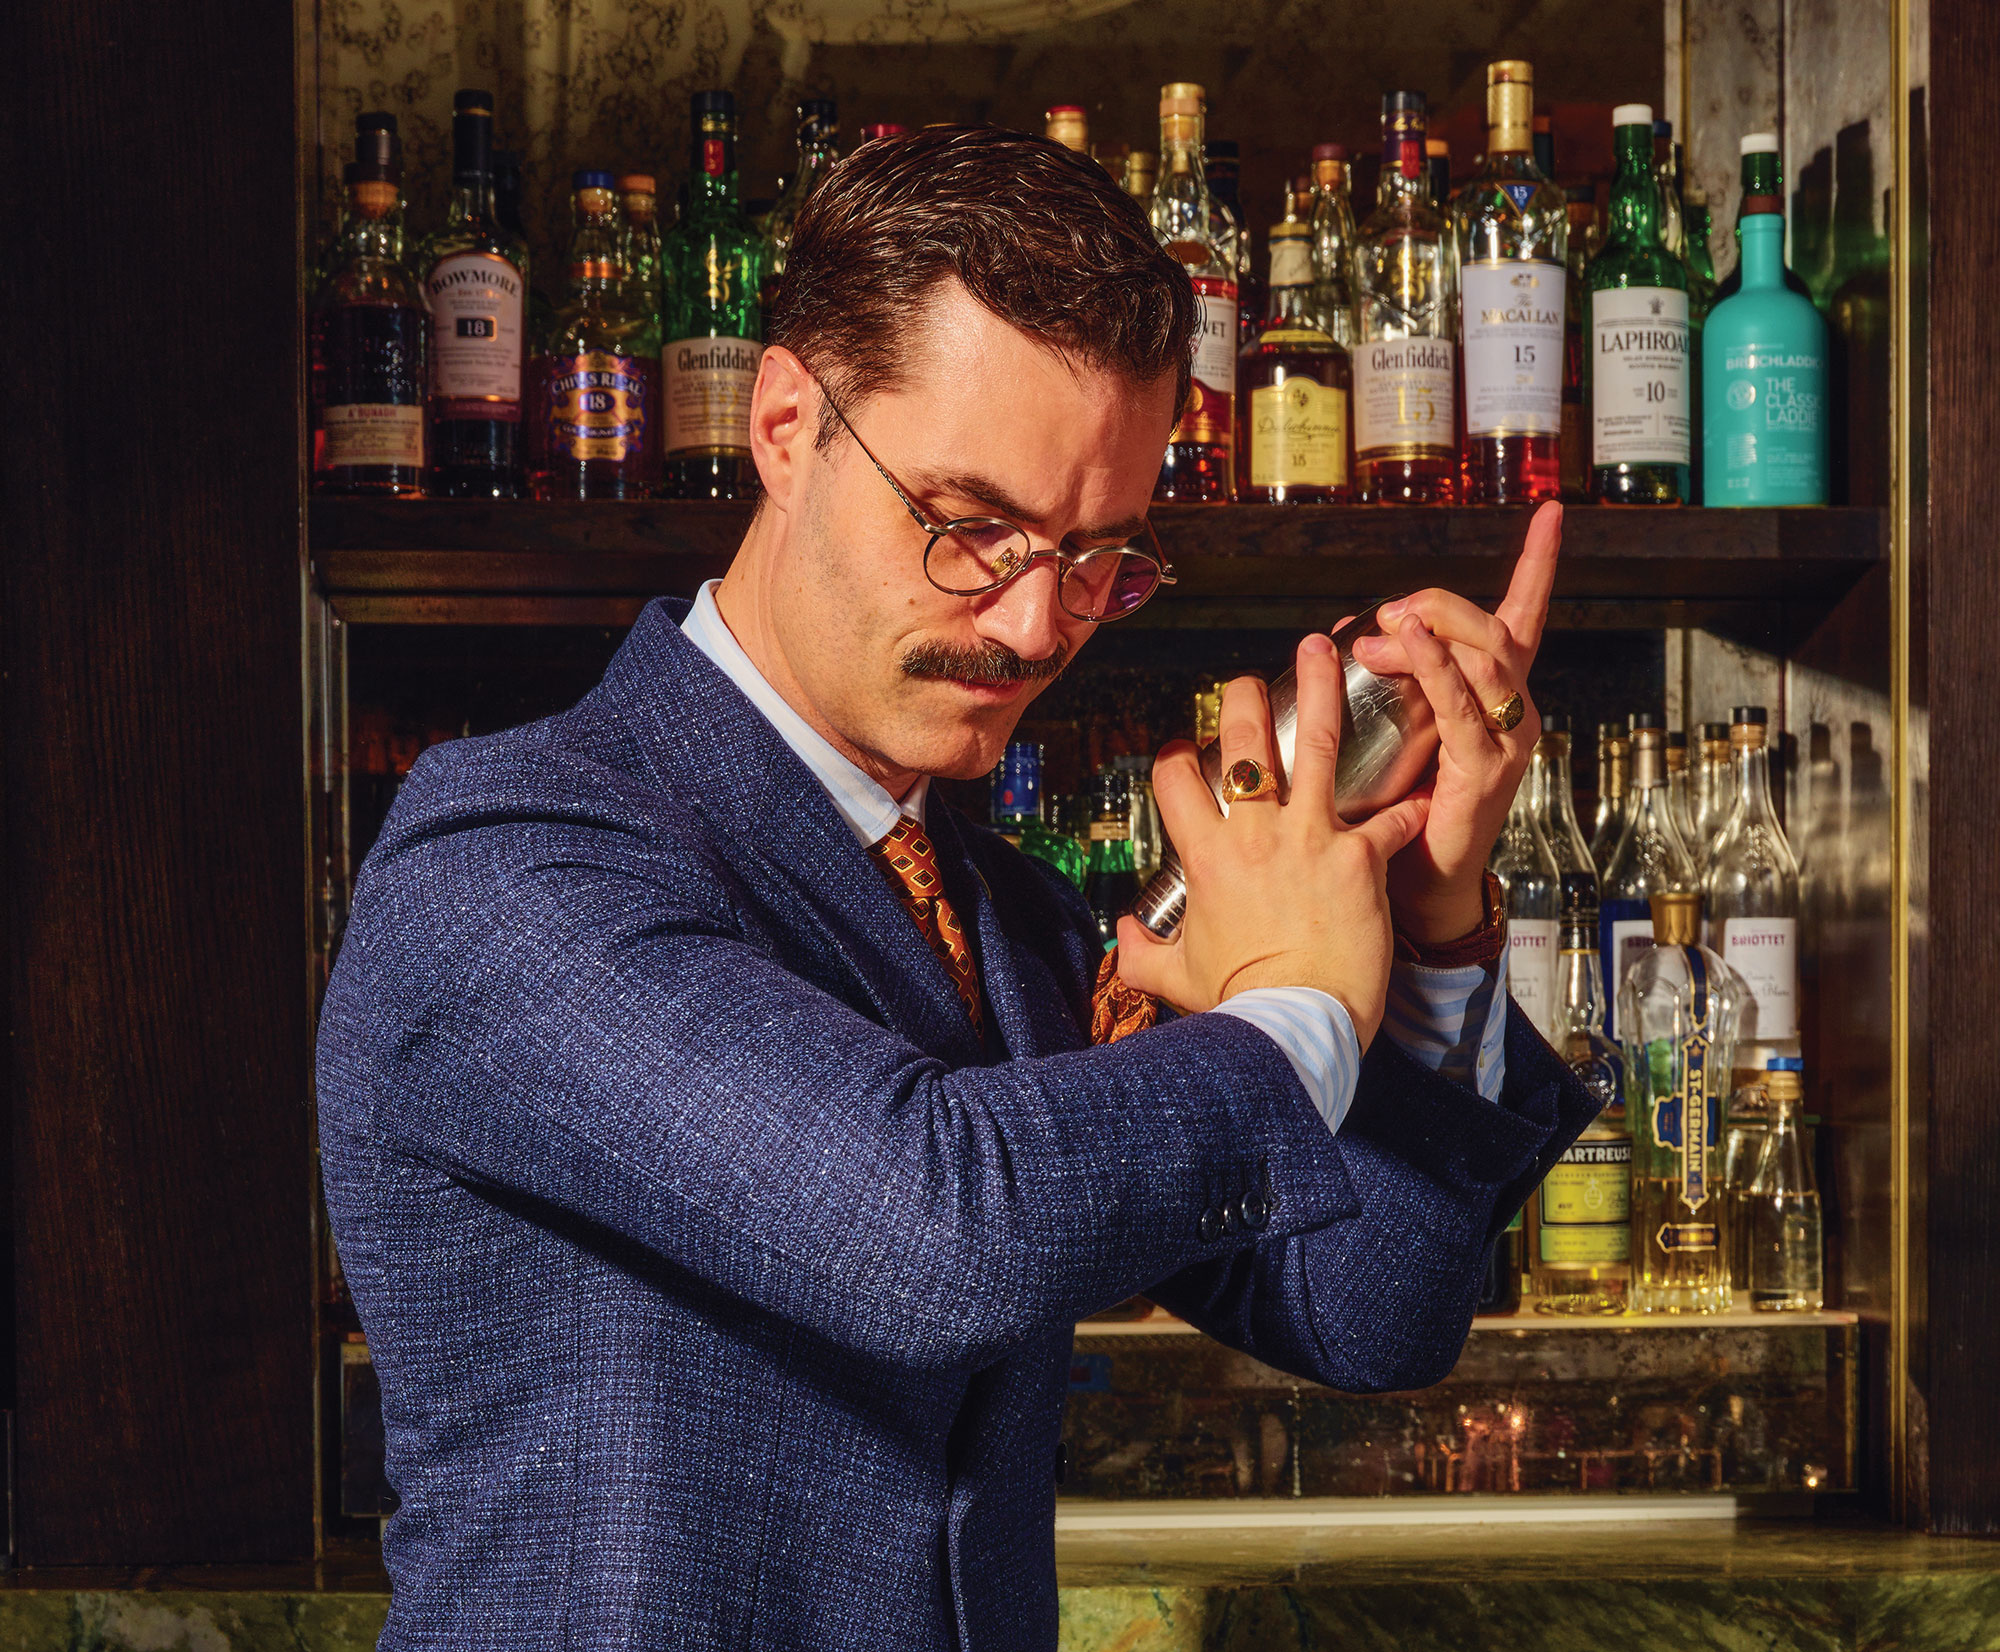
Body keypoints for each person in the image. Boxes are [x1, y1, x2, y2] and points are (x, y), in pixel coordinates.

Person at [317, 125, 1597, 1651]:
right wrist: (1301, 1001)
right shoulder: (510, 859)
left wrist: (1434, 916)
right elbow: (933, 1234)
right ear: (786, 424)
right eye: (969, 526)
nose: (1038, 622)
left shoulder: (1008, 914)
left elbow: (1371, 1314)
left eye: (1100, 555)